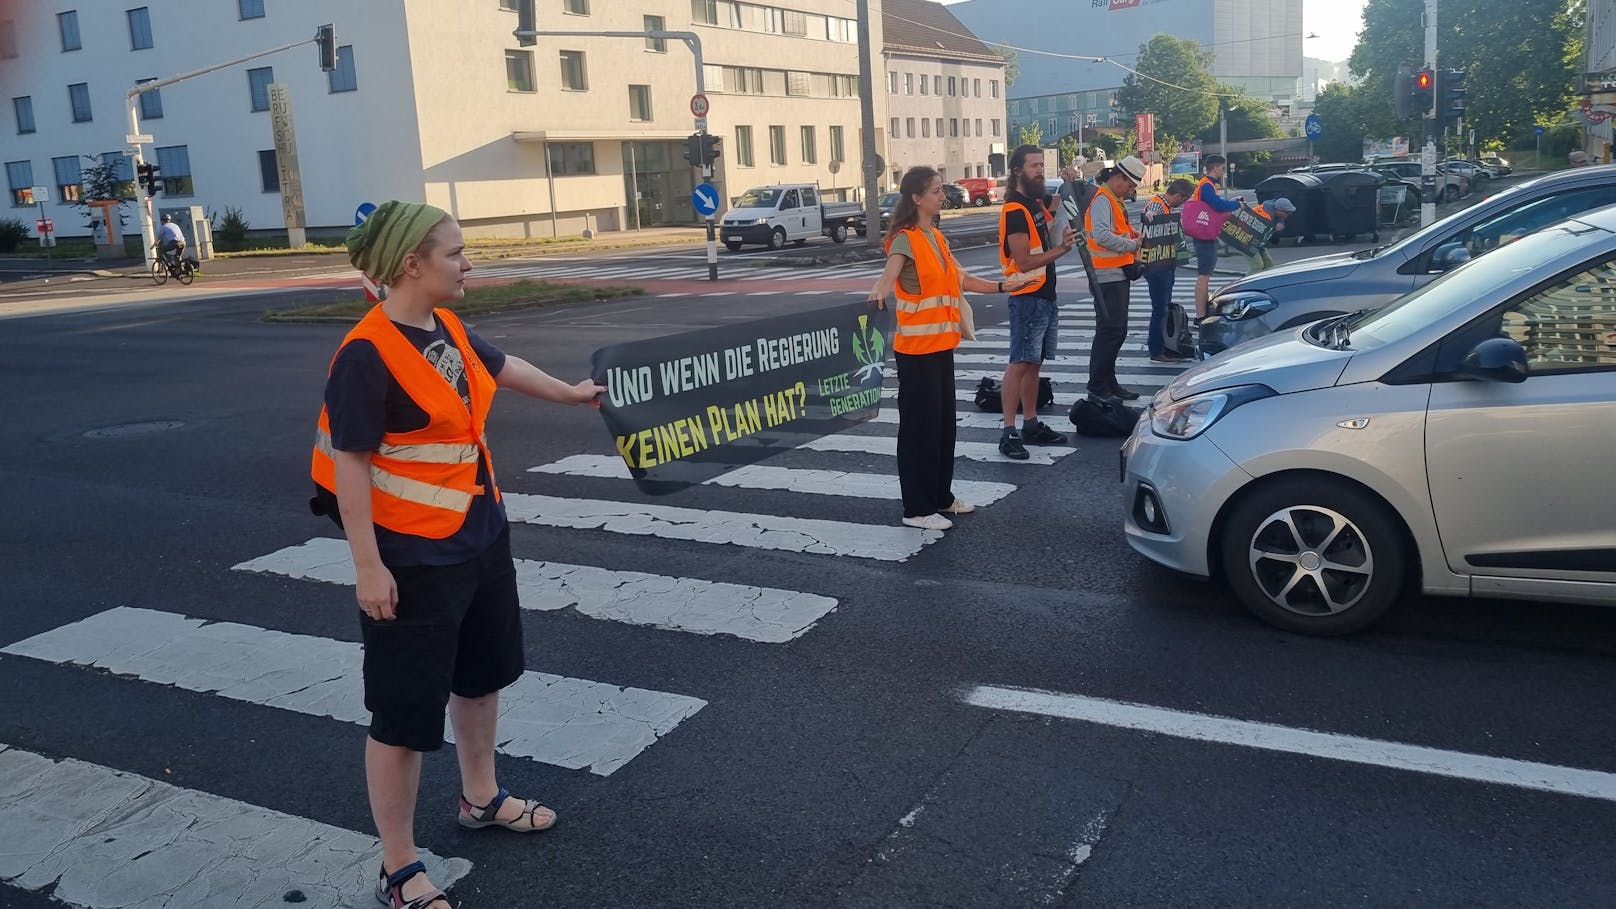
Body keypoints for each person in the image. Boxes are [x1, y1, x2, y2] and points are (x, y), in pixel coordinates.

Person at [310, 200, 605, 909]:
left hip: (479, 536)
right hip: (410, 559)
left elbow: (499, 366)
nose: (468, 262)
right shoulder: (365, 352)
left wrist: (569, 393)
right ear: (413, 263)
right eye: (455, 252)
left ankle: (480, 797)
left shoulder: (443, 328)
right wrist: (367, 566)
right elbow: (349, 465)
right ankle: (399, 865)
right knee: (404, 713)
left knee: (479, 679)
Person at [867, 167, 1031, 530]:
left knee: (942, 427)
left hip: (941, 345)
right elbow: (889, 276)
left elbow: (964, 280)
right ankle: (916, 508)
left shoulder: (935, 237)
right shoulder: (904, 239)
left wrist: (1006, 287)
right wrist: (878, 292)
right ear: (916, 198)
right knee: (919, 429)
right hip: (916, 351)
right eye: (937, 191)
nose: (943, 196)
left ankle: (940, 496)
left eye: (942, 190)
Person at [996, 145, 1077, 461]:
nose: (1040, 170)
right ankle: (1008, 431)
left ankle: (1030, 422)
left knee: (1034, 363)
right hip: (1028, 295)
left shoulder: (1032, 203)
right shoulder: (1015, 210)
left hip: (1044, 295)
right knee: (1019, 363)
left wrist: (1069, 178)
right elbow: (1024, 261)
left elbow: (1058, 201)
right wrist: (1061, 251)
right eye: (1034, 166)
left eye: (1042, 165)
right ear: (1018, 170)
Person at [1085, 156, 1145, 400]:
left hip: (1115, 274)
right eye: (1130, 186)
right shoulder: (1103, 199)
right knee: (1110, 331)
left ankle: (1108, 382)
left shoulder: (1113, 199)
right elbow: (1101, 236)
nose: (1130, 191)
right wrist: (1131, 245)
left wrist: (1132, 234)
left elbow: (1113, 230)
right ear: (1119, 178)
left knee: (1117, 331)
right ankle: (1098, 385)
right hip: (1105, 275)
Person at [1142, 178, 1195, 363]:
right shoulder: (1157, 206)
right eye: (1185, 199)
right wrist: (1148, 216)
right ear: (1178, 196)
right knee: (1160, 309)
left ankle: (1163, 346)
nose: (1184, 203)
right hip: (1157, 267)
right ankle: (1156, 350)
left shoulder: (1166, 207)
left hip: (1165, 263)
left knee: (1162, 307)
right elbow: (1149, 215)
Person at [1192, 155, 1243, 318]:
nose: (1223, 172)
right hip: (1204, 235)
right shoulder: (1207, 185)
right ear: (1215, 168)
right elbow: (1218, 205)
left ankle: (1202, 313)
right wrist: (1236, 204)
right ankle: (1200, 316)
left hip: (1205, 232)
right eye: (1222, 168)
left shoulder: (1206, 185)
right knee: (1204, 276)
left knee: (1205, 275)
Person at [1242, 197, 1295, 274]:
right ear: (1279, 210)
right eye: (1287, 213)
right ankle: (1245, 285)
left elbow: (1278, 219)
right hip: (1245, 240)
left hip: (1257, 241)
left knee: (1268, 263)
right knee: (1257, 265)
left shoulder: (1274, 212)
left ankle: (1264, 282)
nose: (1289, 215)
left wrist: (1280, 223)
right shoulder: (1263, 214)